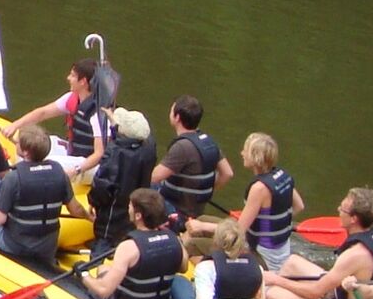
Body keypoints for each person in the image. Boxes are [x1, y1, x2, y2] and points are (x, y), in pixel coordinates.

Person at [265, 185, 373, 299]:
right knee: (292, 262)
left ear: (353, 219)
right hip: (350, 297)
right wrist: (366, 280)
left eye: (342, 209)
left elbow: (315, 292)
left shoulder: (354, 255)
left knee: (274, 295)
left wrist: (276, 280)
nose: (338, 210)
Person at [81, 186, 186, 299]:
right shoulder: (175, 240)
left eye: (130, 206)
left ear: (138, 215)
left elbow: (104, 290)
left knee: (97, 277)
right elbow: (183, 268)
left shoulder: (128, 247)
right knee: (103, 269)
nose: (128, 209)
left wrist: (83, 274)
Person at [0, 127, 87, 268]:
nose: (15, 143)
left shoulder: (13, 178)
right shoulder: (59, 172)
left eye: (18, 142)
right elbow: (76, 209)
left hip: (16, 246)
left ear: (26, 152)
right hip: (47, 247)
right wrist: (89, 217)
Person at [17, 58, 108, 184]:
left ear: (83, 81)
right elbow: (42, 113)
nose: (68, 78)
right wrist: (15, 126)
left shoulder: (98, 113)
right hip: (74, 154)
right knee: (32, 145)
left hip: (91, 167)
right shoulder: (72, 98)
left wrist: (76, 170)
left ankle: (29, 181)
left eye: (73, 75)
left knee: (44, 161)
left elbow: (99, 154)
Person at [152, 96, 233, 235]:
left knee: (142, 186)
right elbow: (227, 173)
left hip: (178, 212)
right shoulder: (208, 141)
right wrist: (205, 190)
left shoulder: (182, 147)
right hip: (197, 209)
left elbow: (154, 177)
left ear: (177, 117)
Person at [229, 132, 305, 275]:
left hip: (264, 256)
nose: (242, 153)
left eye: (245, 150)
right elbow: (299, 206)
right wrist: (276, 222)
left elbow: (239, 231)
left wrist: (203, 226)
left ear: (255, 157)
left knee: (197, 241)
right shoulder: (283, 176)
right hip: (282, 250)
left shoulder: (259, 189)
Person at [87, 107, 158, 248]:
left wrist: (92, 201)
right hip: (135, 207)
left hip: (113, 214)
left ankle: (99, 256)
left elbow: (102, 185)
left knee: (105, 240)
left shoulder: (115, 153)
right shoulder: (149, 147)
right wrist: (115, 126)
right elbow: (128, 142)